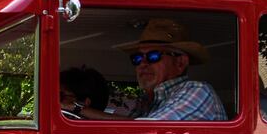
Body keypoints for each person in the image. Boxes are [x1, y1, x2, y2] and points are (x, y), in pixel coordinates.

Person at [72, 18, 225, 122]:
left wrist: (77, 108)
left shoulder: (197, 91)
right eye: (137, 58)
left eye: (153, 56)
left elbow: (147, 130)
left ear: (180, 62)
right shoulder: (146, 102)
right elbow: (123, 132)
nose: (142, 63)